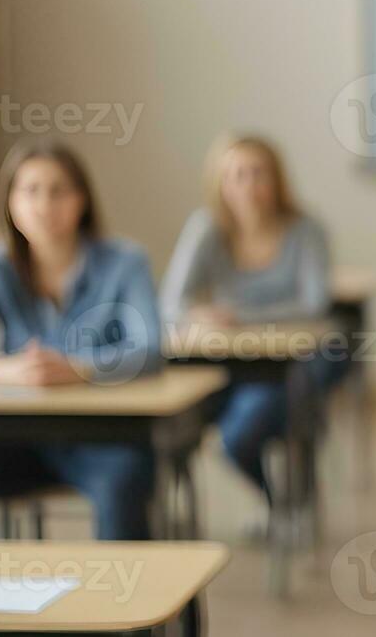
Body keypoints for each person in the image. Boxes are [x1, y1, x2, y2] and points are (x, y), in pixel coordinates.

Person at [0, 139, 162, 540]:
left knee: (121, 486)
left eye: (58, 190)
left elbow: (150, 349)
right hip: (19, 439)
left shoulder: (126, 261)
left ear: (82, 200)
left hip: (107, 439)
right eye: (30, 190)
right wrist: (1, 370)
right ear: (9, 201)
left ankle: (129, 601)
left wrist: (77, 368)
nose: (44, 205)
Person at [161, 133, 335, 501]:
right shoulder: (206, 228)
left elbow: (313, 305)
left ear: (277, 179)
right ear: (220, 183)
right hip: (220, 362)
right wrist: (198, 314)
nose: (249, 185)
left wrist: (238, 317)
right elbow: (171, 302)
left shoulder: (305, 230)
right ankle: (279, 503)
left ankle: (287, 501)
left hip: (288, 364)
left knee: (239, 434)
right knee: (173, 427)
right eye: (237, 174)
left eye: (259, 173)